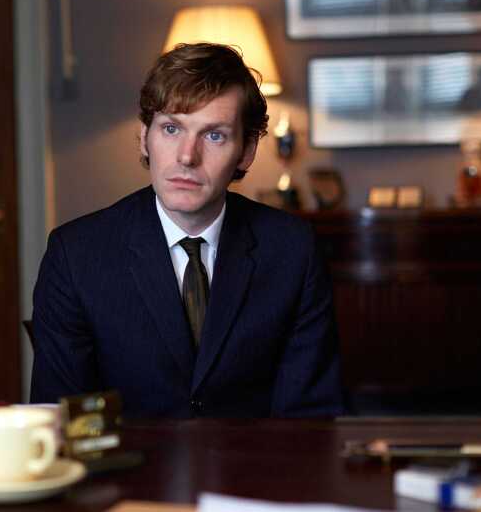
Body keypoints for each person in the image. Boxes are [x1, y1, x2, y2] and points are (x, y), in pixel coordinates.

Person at [30, 43, 343, 418]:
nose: (186, 156)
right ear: (144, 137)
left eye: (214, 136)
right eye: (171, 128)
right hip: (127, 473)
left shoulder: (293, 249)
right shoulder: (75, 255)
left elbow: (310, 419)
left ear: (246, 151)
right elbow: (62, 419)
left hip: (256, 471)